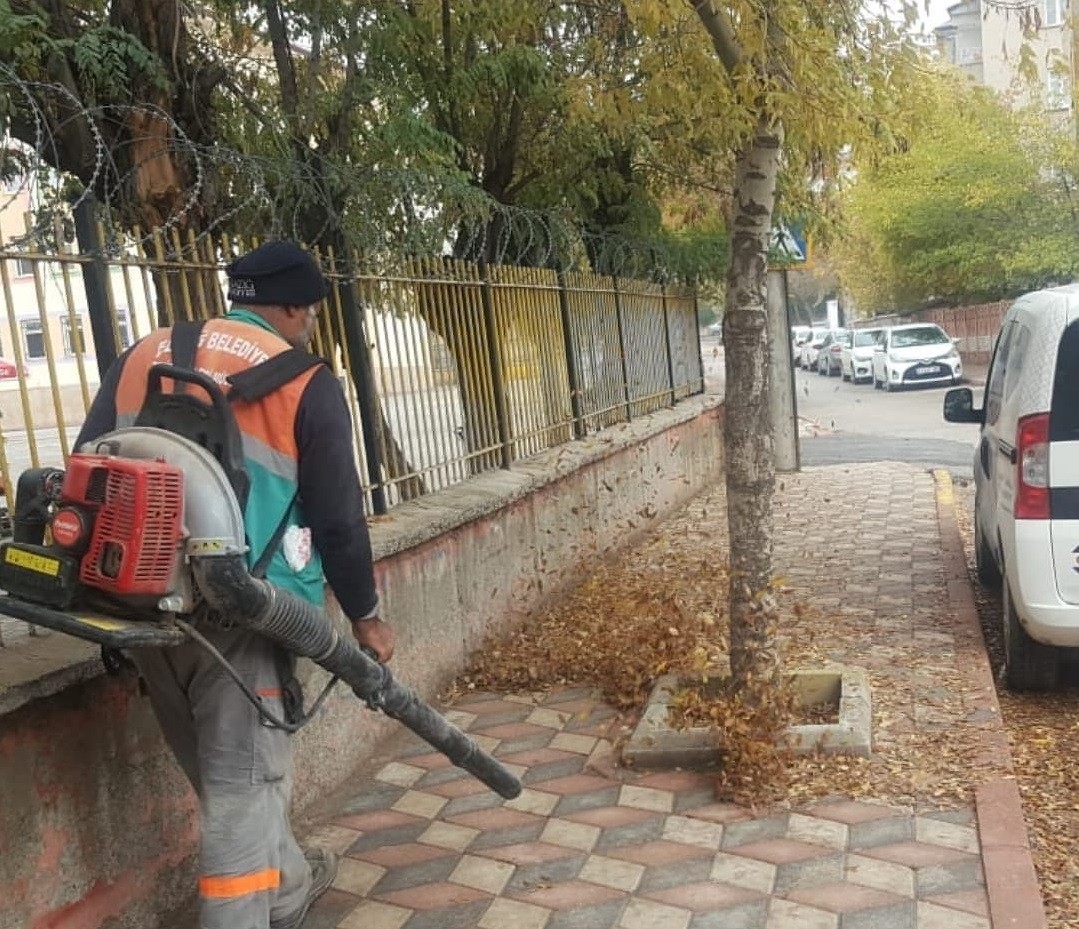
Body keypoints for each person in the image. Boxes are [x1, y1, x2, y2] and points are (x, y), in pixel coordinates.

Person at [75, 241, 396, 929]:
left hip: (145, 607)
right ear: (289, 306)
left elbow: (88, 462)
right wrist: (366, 616)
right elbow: (339, 518)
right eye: (307, 312)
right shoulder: (306, 381)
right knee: (241, 788)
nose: (308, 323)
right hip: (245, 619)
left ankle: (288, 888)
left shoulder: (144, 352)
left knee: (231, 786)